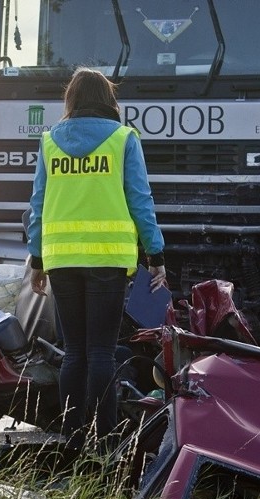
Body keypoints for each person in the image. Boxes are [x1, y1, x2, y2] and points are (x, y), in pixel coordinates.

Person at [26, 67, 166, 451]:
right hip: (107, 261)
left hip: (62, 263)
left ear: (70, 99)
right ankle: (103, 438)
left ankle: (72, 435)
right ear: (108, 99)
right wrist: (155, 254)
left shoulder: (50, 142)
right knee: (101, 351)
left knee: (74, 351)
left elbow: (37, 206)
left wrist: (36, 260)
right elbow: (140, 200)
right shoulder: (123, 140)